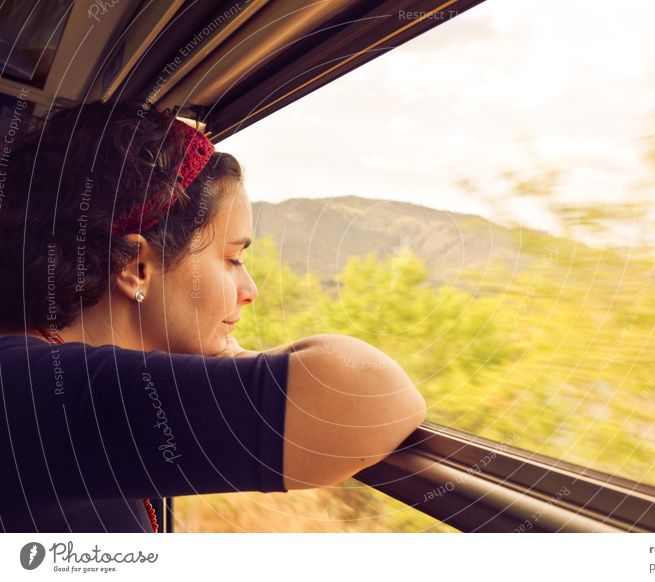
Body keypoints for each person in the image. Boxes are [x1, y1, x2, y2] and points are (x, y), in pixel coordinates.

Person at [0, 101, 426, 532]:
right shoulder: (23, 389)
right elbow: (368, 397)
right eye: (232, 258)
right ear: (135, 266)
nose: (250, 291)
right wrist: (235, 359)